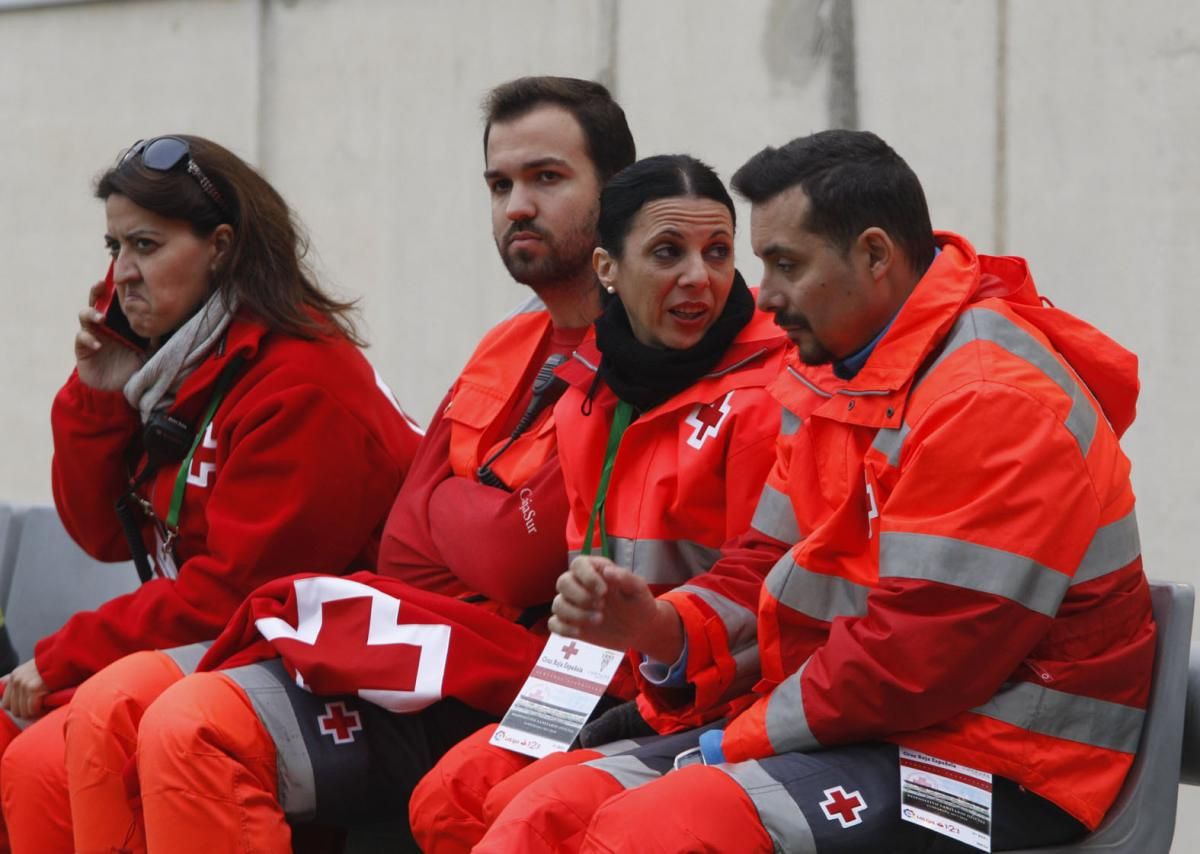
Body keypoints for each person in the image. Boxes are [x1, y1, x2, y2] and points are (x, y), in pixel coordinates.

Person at [471, 129, 1155, 853]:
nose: (762, 293)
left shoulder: (989, 400)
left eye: (785, 264)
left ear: (874, 256)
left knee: (658, 829)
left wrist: (732, 740)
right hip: (862, 726)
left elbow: (916, 666)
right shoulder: (834, 369)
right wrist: (663, 630)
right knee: (537, 814)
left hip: (1005, 769)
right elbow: (767, 564)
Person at [52, 77, 638, 854]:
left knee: (450, 805)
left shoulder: (642, 355)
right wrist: (100, 401)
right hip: (444, 644)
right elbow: (410, 545)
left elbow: (513, 549)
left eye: (547, 178)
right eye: (499, 184)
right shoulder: (505, 346)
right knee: (61, 747)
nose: (516, 205)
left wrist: (464, 515)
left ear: (618, 193)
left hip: (574, 673)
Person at [0, 134, 423, 852]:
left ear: (221, 248)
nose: (122, 275)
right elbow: (101, 532)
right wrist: (101, 397)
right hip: (234, 648)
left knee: (55, 750)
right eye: (113, 249)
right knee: (28, 748)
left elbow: (239, 591)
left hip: (345, 677)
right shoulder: (184, 364)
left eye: (145, 245)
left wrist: (65, 653)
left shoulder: (302, 382)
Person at [408, 154, 792, 851]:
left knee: (533, 817)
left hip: (725, 702)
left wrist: (650, 651)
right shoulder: (586, 395)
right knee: (450, 796)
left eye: (717, 253)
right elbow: (590, 603)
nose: (698, 278)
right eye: (668, 253)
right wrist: (552, 722)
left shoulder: (767, 393)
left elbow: (765, 599)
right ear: (606, 270)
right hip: (617, 688)